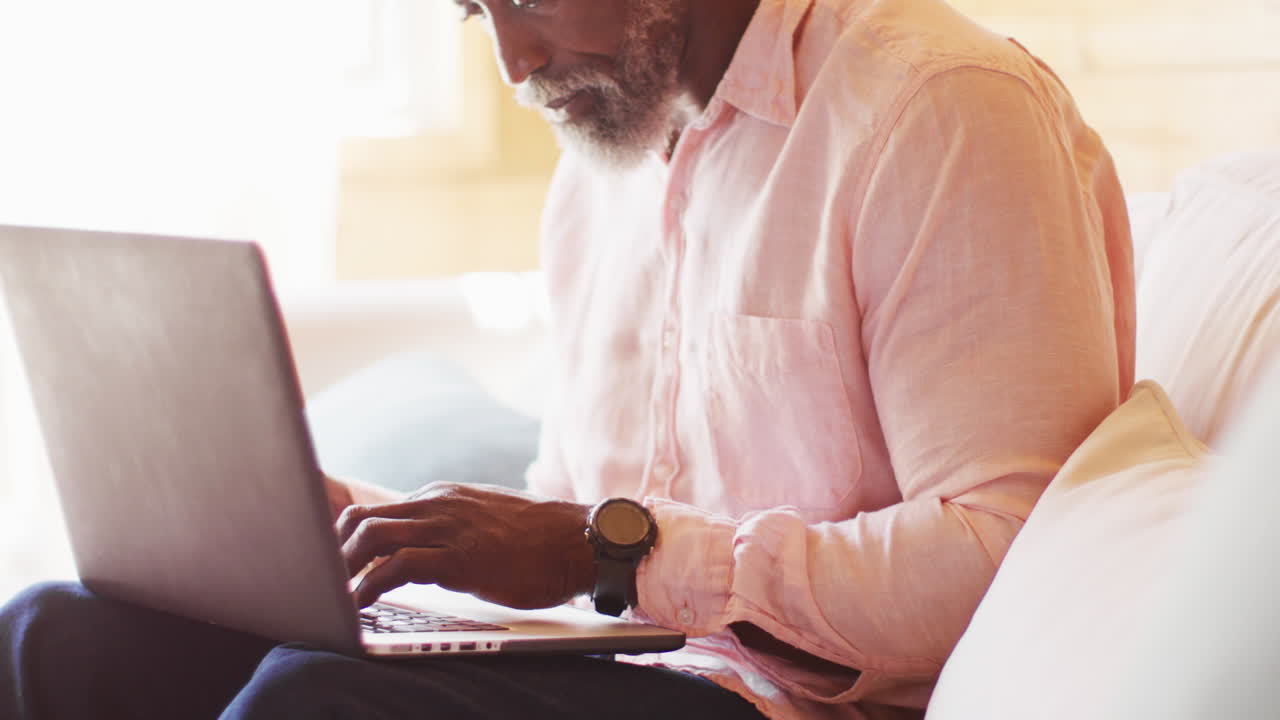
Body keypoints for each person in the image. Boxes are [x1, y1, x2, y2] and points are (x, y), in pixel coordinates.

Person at [0, 0, 1136, 717]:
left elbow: (1004, 556)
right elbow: (566, 523)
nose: (510, 59)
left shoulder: (935, 108)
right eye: (470, 10)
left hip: (783, 700)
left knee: (317, 703)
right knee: (57, 631)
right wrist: (368, 529)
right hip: (612, 661)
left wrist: (616, 553)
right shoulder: (602, 170)